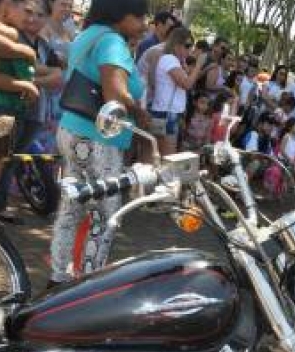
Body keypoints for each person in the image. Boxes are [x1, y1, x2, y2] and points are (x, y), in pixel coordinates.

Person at [48, 0, 148, 287]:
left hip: (72, 130)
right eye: (139, 17)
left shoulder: (88, 35)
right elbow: (116, 94)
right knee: (105, 215)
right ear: (120, 15)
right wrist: (141, 113)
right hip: (98, 138)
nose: (143, 25)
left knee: (71, 209)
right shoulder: (112, 40)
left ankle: (58, 277)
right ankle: (89, 283)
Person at [0, 0, 39, 222]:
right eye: (26, 10)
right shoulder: (0, 32)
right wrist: (25, 85)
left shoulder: (5, 31)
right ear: (7, 5)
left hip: (6, 111)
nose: (31, 17)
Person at [149, 27, 206, 155]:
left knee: (159, 154)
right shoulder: (170, 59)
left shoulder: (174, 60)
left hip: (165, 112)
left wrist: (186, 65)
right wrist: (198, 65)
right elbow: (187, 84)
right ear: (176, 44)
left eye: (191, 46)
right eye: (187, 45)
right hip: (167, 114)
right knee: (168, 157)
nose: (190, 49)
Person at [16, 0, 62, 152]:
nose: (32, 18)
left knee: (13, 164)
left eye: (40, 15)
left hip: (36, 115)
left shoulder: (44, 46)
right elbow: (20, 67)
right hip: (11, 111)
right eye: (28, 12)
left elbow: (59, 77)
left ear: (47, 19)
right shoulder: (13, 36)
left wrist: (32, 81)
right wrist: (46, 74)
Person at [40, 0, 74, 64]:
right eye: (63, 5)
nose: (67, 9)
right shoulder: (43, 26)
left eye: (70, 6)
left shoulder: (68, 28)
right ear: (51, 4)